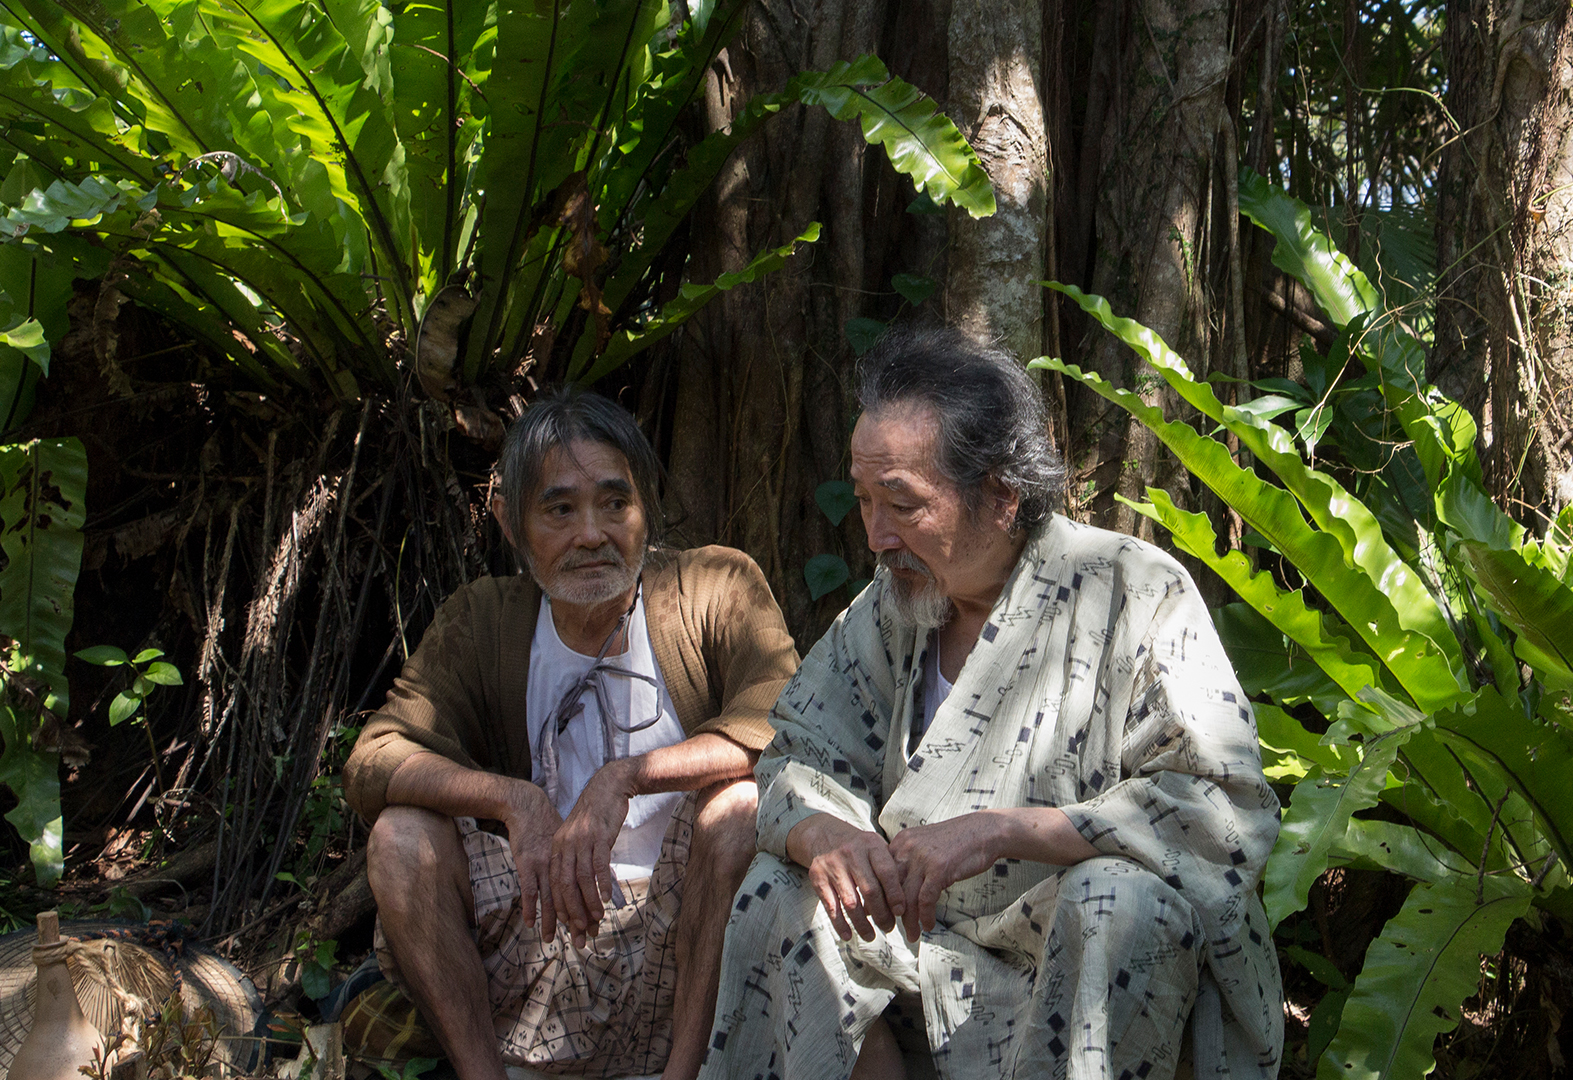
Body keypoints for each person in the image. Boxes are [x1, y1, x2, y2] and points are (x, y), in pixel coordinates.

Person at [700, 329, 1285, 1079]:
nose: (876, 536)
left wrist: (1002, 832)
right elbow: (798, 754)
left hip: (1072, 970)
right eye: (866, 501)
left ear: (1002, 497)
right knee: (783, 886)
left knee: (1120, 901)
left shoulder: (1133, 590)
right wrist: (822, 835)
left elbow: (1222, 810)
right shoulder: (894, 605)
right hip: (918, 960)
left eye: (903, 504)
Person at [342, 387, 799, 1080]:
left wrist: (627, 777)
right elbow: (375, 758)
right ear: (509, 520)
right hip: (540, 939)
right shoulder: (484, 620)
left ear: (645, 507)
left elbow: (784, 725)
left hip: (687, 940)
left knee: (740, 809)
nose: (592, 534)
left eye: (615, 504)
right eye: (560, 509)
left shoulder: (716, 586)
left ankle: (684, 1073)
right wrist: (512, 800)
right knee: (401, 838)